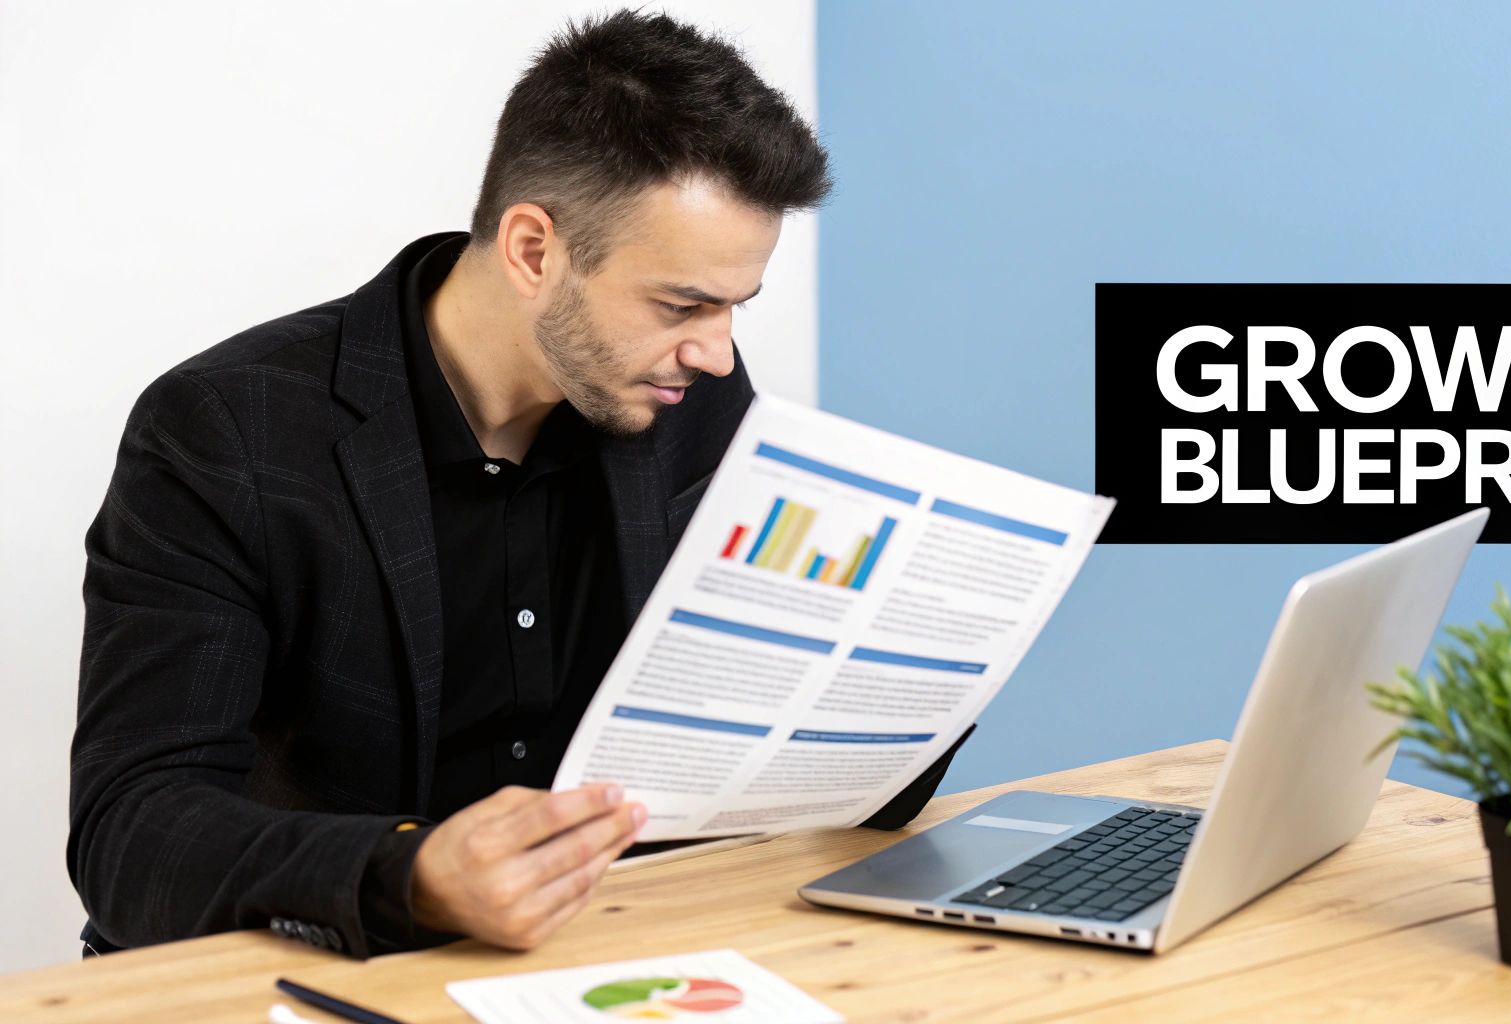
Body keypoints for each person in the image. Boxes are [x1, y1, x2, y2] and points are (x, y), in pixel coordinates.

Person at [68, 11, 970, 960]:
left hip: (595, 959)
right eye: (682, 304)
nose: (715, 352)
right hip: (320, 965)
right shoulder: (225, 432)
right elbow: (132, 834)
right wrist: (412, 875)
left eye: (734, 306)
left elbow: (759, 747)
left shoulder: (688, 398)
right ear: (534, 249)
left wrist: (916, 660)